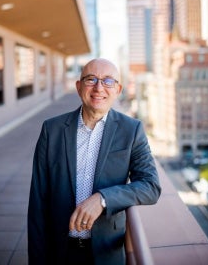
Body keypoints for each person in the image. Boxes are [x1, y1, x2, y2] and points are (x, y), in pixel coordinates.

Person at [28, 58, 161, 265]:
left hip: (108, 252)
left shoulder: (131, 130)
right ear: (78, 86)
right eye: (91, 79)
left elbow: (150, 186)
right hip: (60, 251)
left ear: (118, 89)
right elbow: (37, 203)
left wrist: (103, 199)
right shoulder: (51, 130)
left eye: (108, 81)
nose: (99, 88)